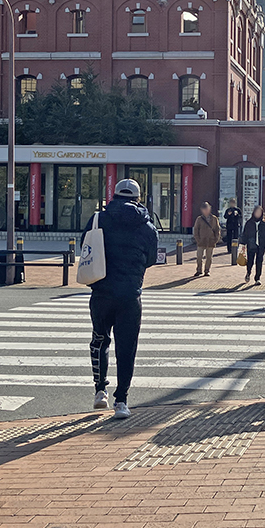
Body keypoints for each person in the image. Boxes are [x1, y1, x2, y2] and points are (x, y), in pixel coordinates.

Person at [80, 179, 158, 420]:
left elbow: (85, 247)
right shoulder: (146, 226)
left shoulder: (97, 220)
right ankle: (121, 401)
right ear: (138, 198)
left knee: (100, 340)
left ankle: (99, 390)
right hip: (130, 294)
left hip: (101, 291)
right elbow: (152, 259)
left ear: (113, 196)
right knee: (127, 348)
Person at [239, 205, 265, 285]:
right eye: (256, 212)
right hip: (251, 244)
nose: (258, 214)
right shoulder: (249, 223)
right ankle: (248, 273)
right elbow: (245, 234)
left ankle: (257, 278)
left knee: (259, 261)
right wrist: (243, 244)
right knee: (250, 261)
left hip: (261, 245)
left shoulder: (264, 224)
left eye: (259, 212)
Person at [192, 201, 221, 277]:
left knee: (209, 257)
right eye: (204, 209)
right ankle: (199, 270)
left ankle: (207, 271)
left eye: (207, 208)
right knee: (199, 257)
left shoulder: (214, 219)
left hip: (211, 240)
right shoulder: (199, 219)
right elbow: (196, 230)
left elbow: (217, 230)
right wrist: (198, 239)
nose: (206, 210)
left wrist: (216, 239)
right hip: (201, 241)